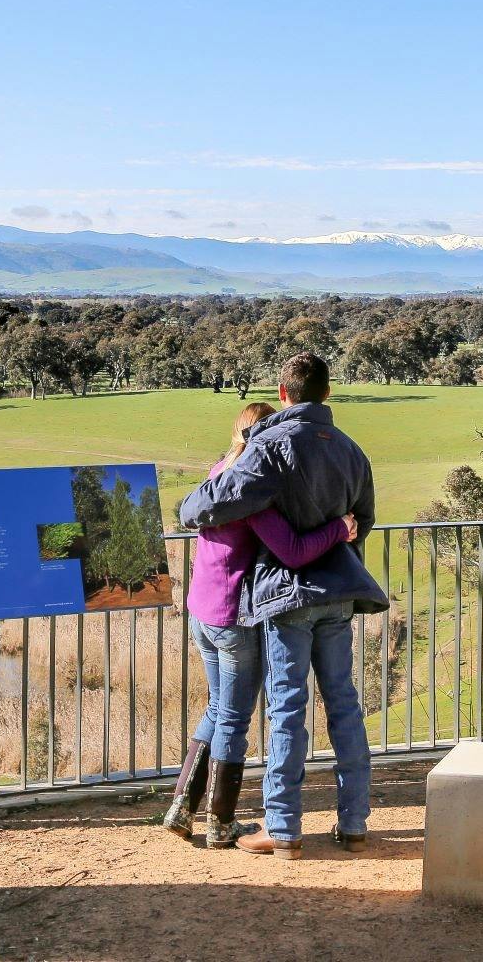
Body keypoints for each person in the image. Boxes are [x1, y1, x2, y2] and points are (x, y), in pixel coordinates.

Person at [178, 352, 384, 859]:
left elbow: (206, 506)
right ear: (328, 393)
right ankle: (354, 822)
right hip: (337, 595)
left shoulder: (269, 447)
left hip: (285, 595)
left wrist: (192, 506)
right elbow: (365, 519)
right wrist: (337, 539)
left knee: (288, 709)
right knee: (344, 705)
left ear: (284, 392)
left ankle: (284, 829)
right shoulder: (353, 452)